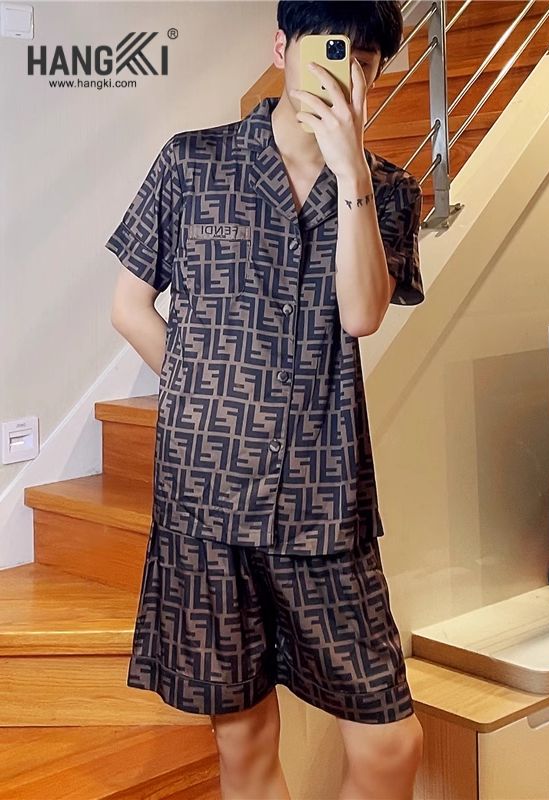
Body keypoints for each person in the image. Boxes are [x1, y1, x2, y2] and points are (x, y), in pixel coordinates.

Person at [106, 2, 425, 798]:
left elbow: (363, 314)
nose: (345, 71)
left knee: (391, 744)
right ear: (281, 47)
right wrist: (206, 394)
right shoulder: (192, 163)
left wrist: (352, 173)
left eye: (364, 60)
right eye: (328, 48)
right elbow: (130, 307)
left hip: (324, 500)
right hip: (206, 498)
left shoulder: (389, 190)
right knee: (243, 744)